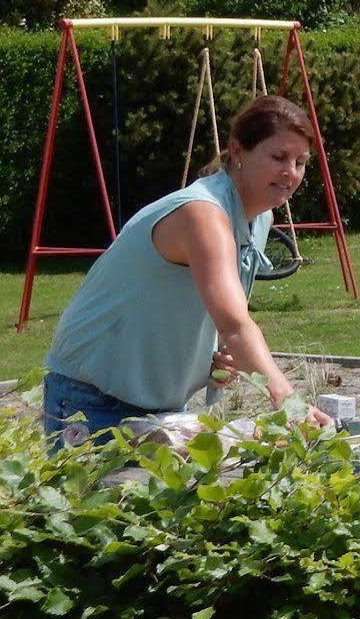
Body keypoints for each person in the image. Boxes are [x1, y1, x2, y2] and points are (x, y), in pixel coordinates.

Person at [43, 94, 332, 444]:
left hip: (161, 405)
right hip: (91, 397)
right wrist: (288, 399)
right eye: (279, 157)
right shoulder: (203, 215)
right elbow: (235, 323)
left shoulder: (258, 219)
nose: (291, 173)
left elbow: (211, 314)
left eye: (301, 162)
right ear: (237, 151)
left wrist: (207, 360)